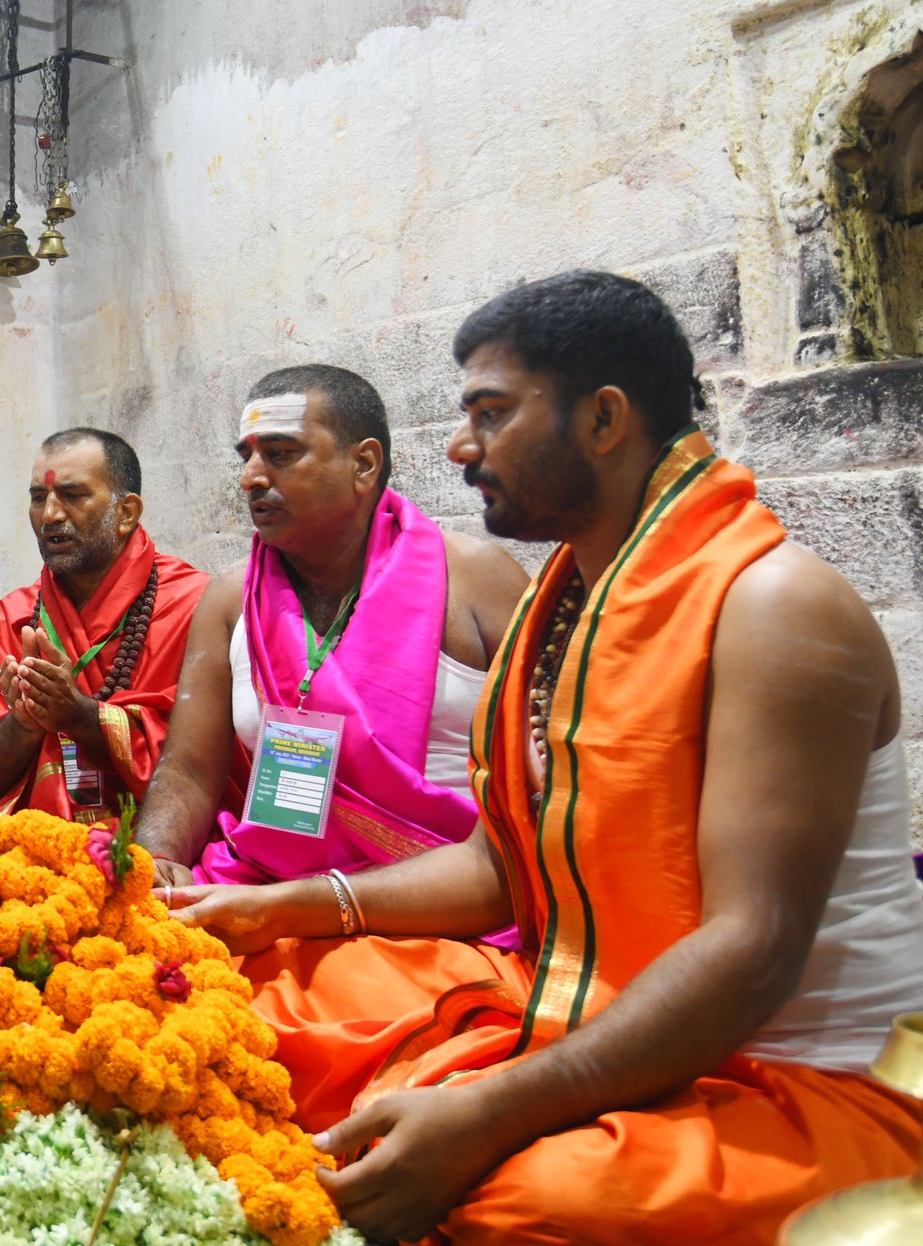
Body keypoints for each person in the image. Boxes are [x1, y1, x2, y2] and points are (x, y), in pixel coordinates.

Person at [167, 271, 923, 1244]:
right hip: (592, 1006)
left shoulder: (771, 606)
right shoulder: (566, 604)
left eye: (488, 412)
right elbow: (506, 863)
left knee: (498, 1197)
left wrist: (490, 1109)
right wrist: (279, 907)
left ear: (602, 419)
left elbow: (752, 952)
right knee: (284, 1023)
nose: (455, 446)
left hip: (790, 1069)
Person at [136, 366, 527, 893]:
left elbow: (553, 782)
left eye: (279, 454)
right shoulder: (231, 598)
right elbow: (187, 769)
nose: (250, 476)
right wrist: (156, 860)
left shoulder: (478, 579)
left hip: (441, 907)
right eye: (245, 456)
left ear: (363, 464)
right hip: (262, 886)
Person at [0, 429, 208, 824]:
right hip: (24, 853)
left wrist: (81, 716)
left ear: (127, 512)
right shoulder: (10, 621)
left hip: (153, 856)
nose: (49, 514)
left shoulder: (193, 607)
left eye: (73, 495)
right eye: (38, 498)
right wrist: (22, 724)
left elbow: (207, 766)